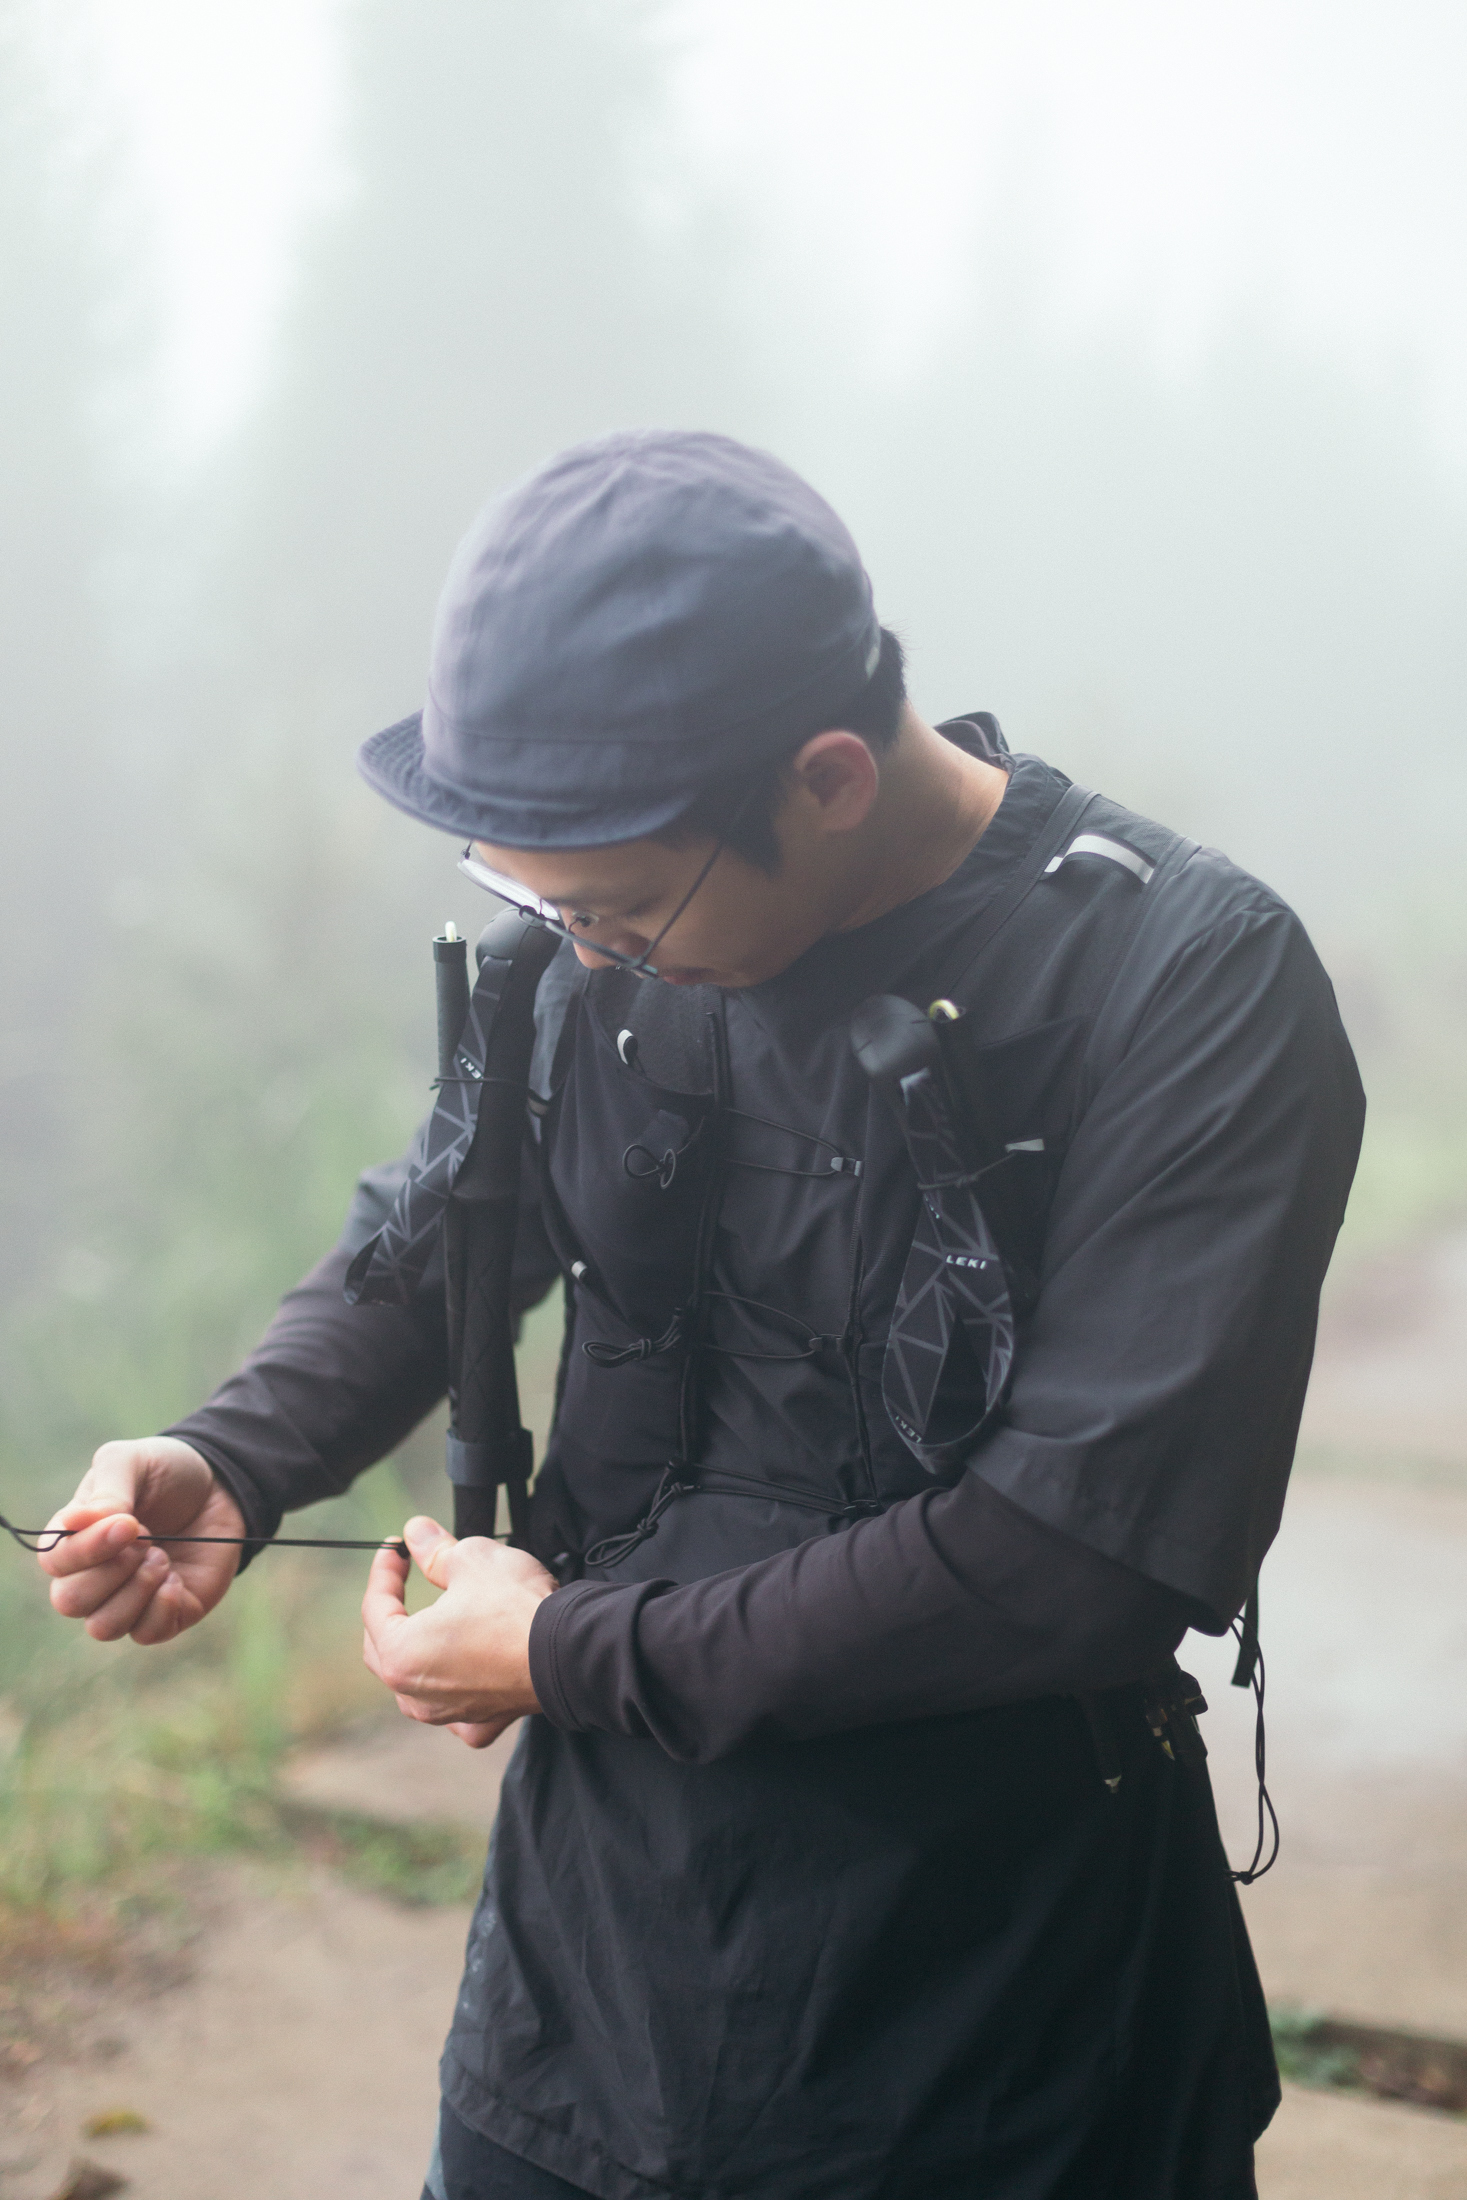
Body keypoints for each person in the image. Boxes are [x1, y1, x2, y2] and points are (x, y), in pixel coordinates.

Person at [39, 430, 1365, 2200]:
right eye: (539, 906)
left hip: (1002, 2040)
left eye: (615, 911)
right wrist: (234, 1452)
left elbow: (1072, 1559)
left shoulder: (1189, 986)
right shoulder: (607, 944)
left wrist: (563, 1651)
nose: (583, 960)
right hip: (580, 2006)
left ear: (823, 775)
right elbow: (446, 1218)